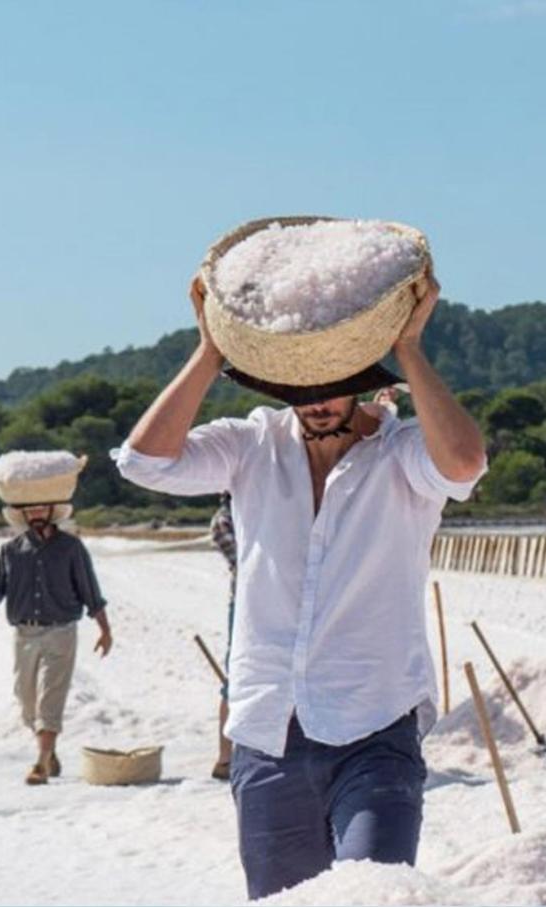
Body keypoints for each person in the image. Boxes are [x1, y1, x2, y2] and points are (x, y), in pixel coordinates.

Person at [113, 268, 485, 899]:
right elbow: (144, 462)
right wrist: (209, 349)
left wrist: (409, 350)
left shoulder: (403, 456)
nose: (317, 402)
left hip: (375, 728)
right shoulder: (250, 444)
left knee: (375, 897)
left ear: (364, 382)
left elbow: (465, 463)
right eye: (301, 389)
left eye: (335, 387)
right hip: (267, 733)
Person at [0, 501, 113, 786]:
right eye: (30, 511)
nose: (35, 515)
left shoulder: (71, 548)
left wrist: (104, 629)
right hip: (24, 634)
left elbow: (90, 589)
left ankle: (40, 762)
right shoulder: (11, 550)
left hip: (60, 631)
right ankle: (49, 753)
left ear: (51, 512)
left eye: (41, 509)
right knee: (26, 700)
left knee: (51, 695)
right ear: (23, 515)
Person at [210, 494, 237, 781]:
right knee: (236, 680)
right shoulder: (223, 520)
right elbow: (248, 565)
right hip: (245, 604)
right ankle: (225, 757)